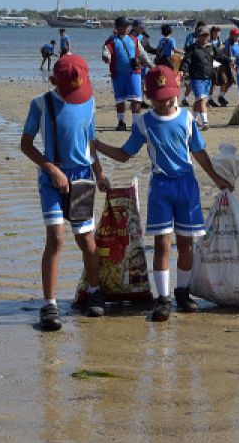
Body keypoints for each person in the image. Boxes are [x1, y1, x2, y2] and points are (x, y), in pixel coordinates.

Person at [94, 65, 232, 321]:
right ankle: (162, 298)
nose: (164, 103)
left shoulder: (189, 119)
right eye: (158, 100)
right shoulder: (144, 122)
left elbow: (199, 153)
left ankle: (182, 291)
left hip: (187, 186)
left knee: (186, 244)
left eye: (168, 98)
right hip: (160, 187)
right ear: (148, 97)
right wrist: (98, 145)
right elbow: (125, 155)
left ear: (177, 93)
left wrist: (217, 178)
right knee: (162, 244)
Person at [19, 54, 110, 330]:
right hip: (52, 177)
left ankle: (94, 291)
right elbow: (26, 144)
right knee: (56, 239)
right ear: (52, 81)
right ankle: (50, 305)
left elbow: (90, 142)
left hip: (82, 178)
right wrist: (52, 170)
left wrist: (99, 172)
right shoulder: (40, 104)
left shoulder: (89, 101)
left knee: (86, 240)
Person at [101, 16, 146, 131]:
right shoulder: (111, 41)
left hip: (134, 73)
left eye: (128, 25)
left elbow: (142, 54)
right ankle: (121, 122)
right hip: (118, 75)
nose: (126, 28)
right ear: (117, 27)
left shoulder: (134, 39)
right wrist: (107, 57)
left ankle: (136, 124)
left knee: (136, 99)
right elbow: (106, 51)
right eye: (124, 26)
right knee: (120, 100)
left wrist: (152, 66)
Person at [179, 31, 216, 130]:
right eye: (202, 36)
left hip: (207, 77)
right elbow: (186, 60)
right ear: (198, 37)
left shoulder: (211, 47)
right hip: (196, 77)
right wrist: (182, 70)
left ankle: (193, 122)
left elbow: (220, 56)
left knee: (198, 100)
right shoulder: (192, 48)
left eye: (206, 36)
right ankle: (205, 122)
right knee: (201, 100)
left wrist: (229, 61)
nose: (204, 38)